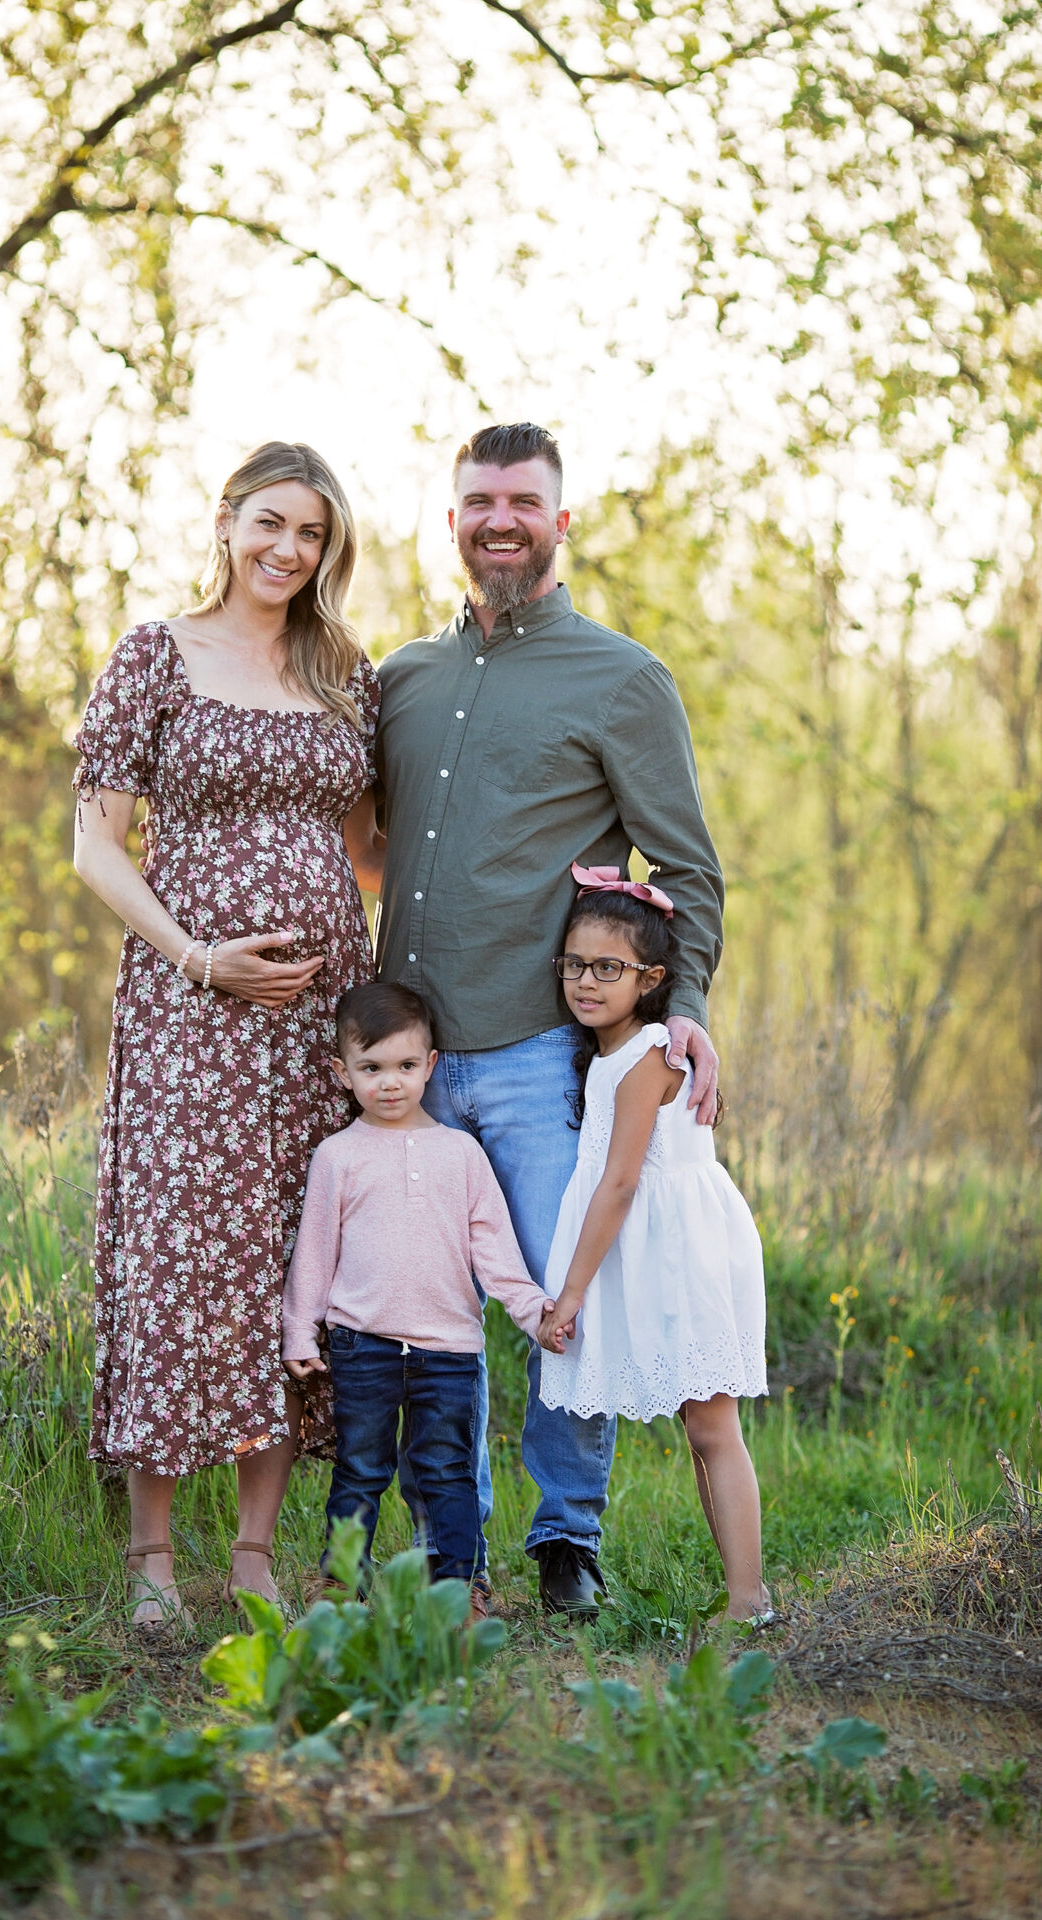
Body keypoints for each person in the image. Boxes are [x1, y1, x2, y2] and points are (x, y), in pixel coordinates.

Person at [374, 421, 726, 1618]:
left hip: (534, 1058)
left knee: (560, 1311)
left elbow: (686, 869)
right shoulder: (403, 679)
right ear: (455, 519)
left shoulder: (620, 679)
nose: (499, 521)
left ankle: (566, 1542)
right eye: (479, 501)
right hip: (408, 1069)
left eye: (521, 501)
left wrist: (678, 1013)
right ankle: (447, 1553)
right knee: (426, 1322)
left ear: (559, 522)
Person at [72, 441, 384, 1628]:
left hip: (315, 1020)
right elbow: (97, 846)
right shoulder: (156, 653)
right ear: (226, 522)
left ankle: (253, 1554)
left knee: (291, 1261)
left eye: (310, 534)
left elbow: (365, 849)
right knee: (177, 1257)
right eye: (270, 523)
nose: (286, 550)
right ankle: (153, 1560)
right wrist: (201, 957)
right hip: (187, 1012)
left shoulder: (344, 672)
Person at [537, 867, 769, 1620]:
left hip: (683, 1251)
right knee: (700, 1426)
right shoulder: (610, 1053)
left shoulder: (647, 1056)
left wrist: (570, 1291)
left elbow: (621, 1183)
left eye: (609, 968)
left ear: (653, 978)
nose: (586, 981)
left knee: (711, 1423)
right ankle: (743, 1595)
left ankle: (749, 1598)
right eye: (575, 965)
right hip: (652, 1250)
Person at [281, 983, 554, 1612]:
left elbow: (495, 1251)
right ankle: (342, 1583)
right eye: (371, 1069)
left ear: (430, 1065)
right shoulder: (338, 1156)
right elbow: (314, 1254)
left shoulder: (461, 1154)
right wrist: (300, 1330)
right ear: (341, 1073)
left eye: (406, 1066)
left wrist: (534, 1313)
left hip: (448, 1348)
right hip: (363, 1343)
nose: (390, 1083)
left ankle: (455, 1590)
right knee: (360, 1468)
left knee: (444, 1473)